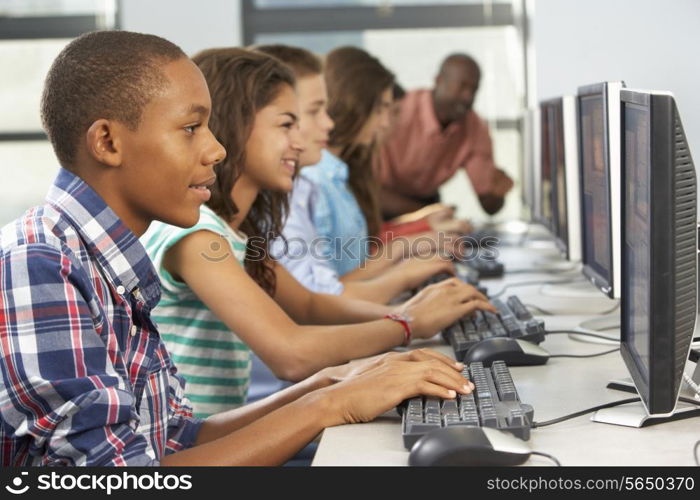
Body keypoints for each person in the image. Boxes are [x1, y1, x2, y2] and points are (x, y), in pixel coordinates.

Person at [0, 31, 480, 467]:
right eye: (191, 128)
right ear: (107, 141)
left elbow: (174, 438)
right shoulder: (41, 263)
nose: (216, 149)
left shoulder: (111, 261)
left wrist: (331, 384)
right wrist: (330, 402)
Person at [141, 47, 495, 418]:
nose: (300, 140)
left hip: (218, 431)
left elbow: (310, 304)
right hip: (193, 449)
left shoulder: (236, 234)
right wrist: (406, 324)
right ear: (237, 125)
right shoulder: (198, 236)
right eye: (286, 125)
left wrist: (408, 312)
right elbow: (290, 354)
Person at [256, 45, 459, 304]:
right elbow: (319, 300)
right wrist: (405, 276)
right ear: (357, 105)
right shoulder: (312, 180)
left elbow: (324, 288)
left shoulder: (326, 178)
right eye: (384, 109)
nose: (387, 123)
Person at [378, 53, 515, 219]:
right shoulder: (398, 111)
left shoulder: (475, 127)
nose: (468, 97)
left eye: (474, 89)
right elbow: (365, 191)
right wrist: (430, 213)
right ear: (438, 81)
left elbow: (490, 206)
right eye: (462, 87)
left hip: (427, 204)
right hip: (380, 200)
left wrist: (497, 192)